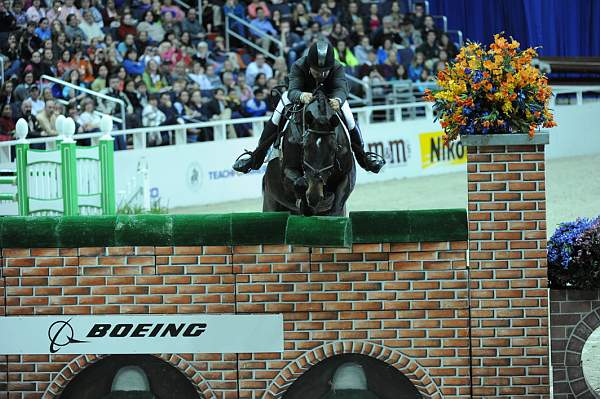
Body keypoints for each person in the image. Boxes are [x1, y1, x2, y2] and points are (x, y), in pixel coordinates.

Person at [233, 39, 384, 174]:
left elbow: (341, 88)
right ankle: (256, 158)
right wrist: (300, 96)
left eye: (325, 71)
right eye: (317, 71)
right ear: (309, 65)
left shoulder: (336, 67)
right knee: (277, 115)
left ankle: (364, 158)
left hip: (330, 96)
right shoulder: (299, 65)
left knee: (350, 119)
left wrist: (338, 100)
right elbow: (292, 91)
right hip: (301, 95)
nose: (322, 74)